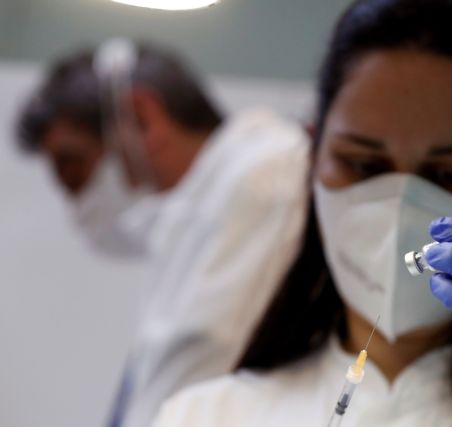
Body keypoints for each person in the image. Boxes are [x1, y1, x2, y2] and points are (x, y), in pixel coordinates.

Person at [153, 0, 452, 426]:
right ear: (313, 157)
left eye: (450, 173)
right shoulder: (203, 416)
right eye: (363, 164)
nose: (399, 206)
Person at [16, 40, 309, 427]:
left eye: (73, 167)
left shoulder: (261, 179)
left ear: (142, 116)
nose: (76, 199)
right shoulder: (197, 207)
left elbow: (197, 366)